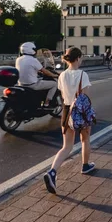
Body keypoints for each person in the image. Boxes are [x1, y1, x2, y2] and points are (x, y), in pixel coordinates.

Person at [44, 47, 95, 194]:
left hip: (66, 111)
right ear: (78, 58)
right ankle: (85, 166)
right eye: (81, 58)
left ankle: (52, 172)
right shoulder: (82, 75)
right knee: (85, 139)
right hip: (80, 111)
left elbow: (63, 94)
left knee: (66, 146)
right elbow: (84, 97)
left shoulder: (62, 75)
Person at [16, 42, 59, 107]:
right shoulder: (33, 60)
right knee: (54, 84)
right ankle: (46, 103)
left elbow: (28, 69)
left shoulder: (18, 59)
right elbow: (45, 71)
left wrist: (38, 72)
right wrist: (55, 75)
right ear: (32, 50)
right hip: (33, 85)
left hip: (21, 84)